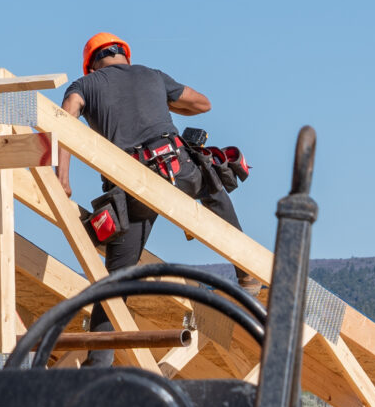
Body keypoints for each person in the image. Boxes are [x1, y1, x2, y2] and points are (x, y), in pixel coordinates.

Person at [56, 31, 242, 274]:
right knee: (211, 180)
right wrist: (162, 101)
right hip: (179, 170)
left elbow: (63, 121)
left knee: (115, 282)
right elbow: (202, 104)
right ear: (126, 57)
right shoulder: (152, 75)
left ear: (90, 67)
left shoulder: (84, 85)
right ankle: (247, 274)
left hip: (132, 189)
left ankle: (110, 305)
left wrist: (62, 180)